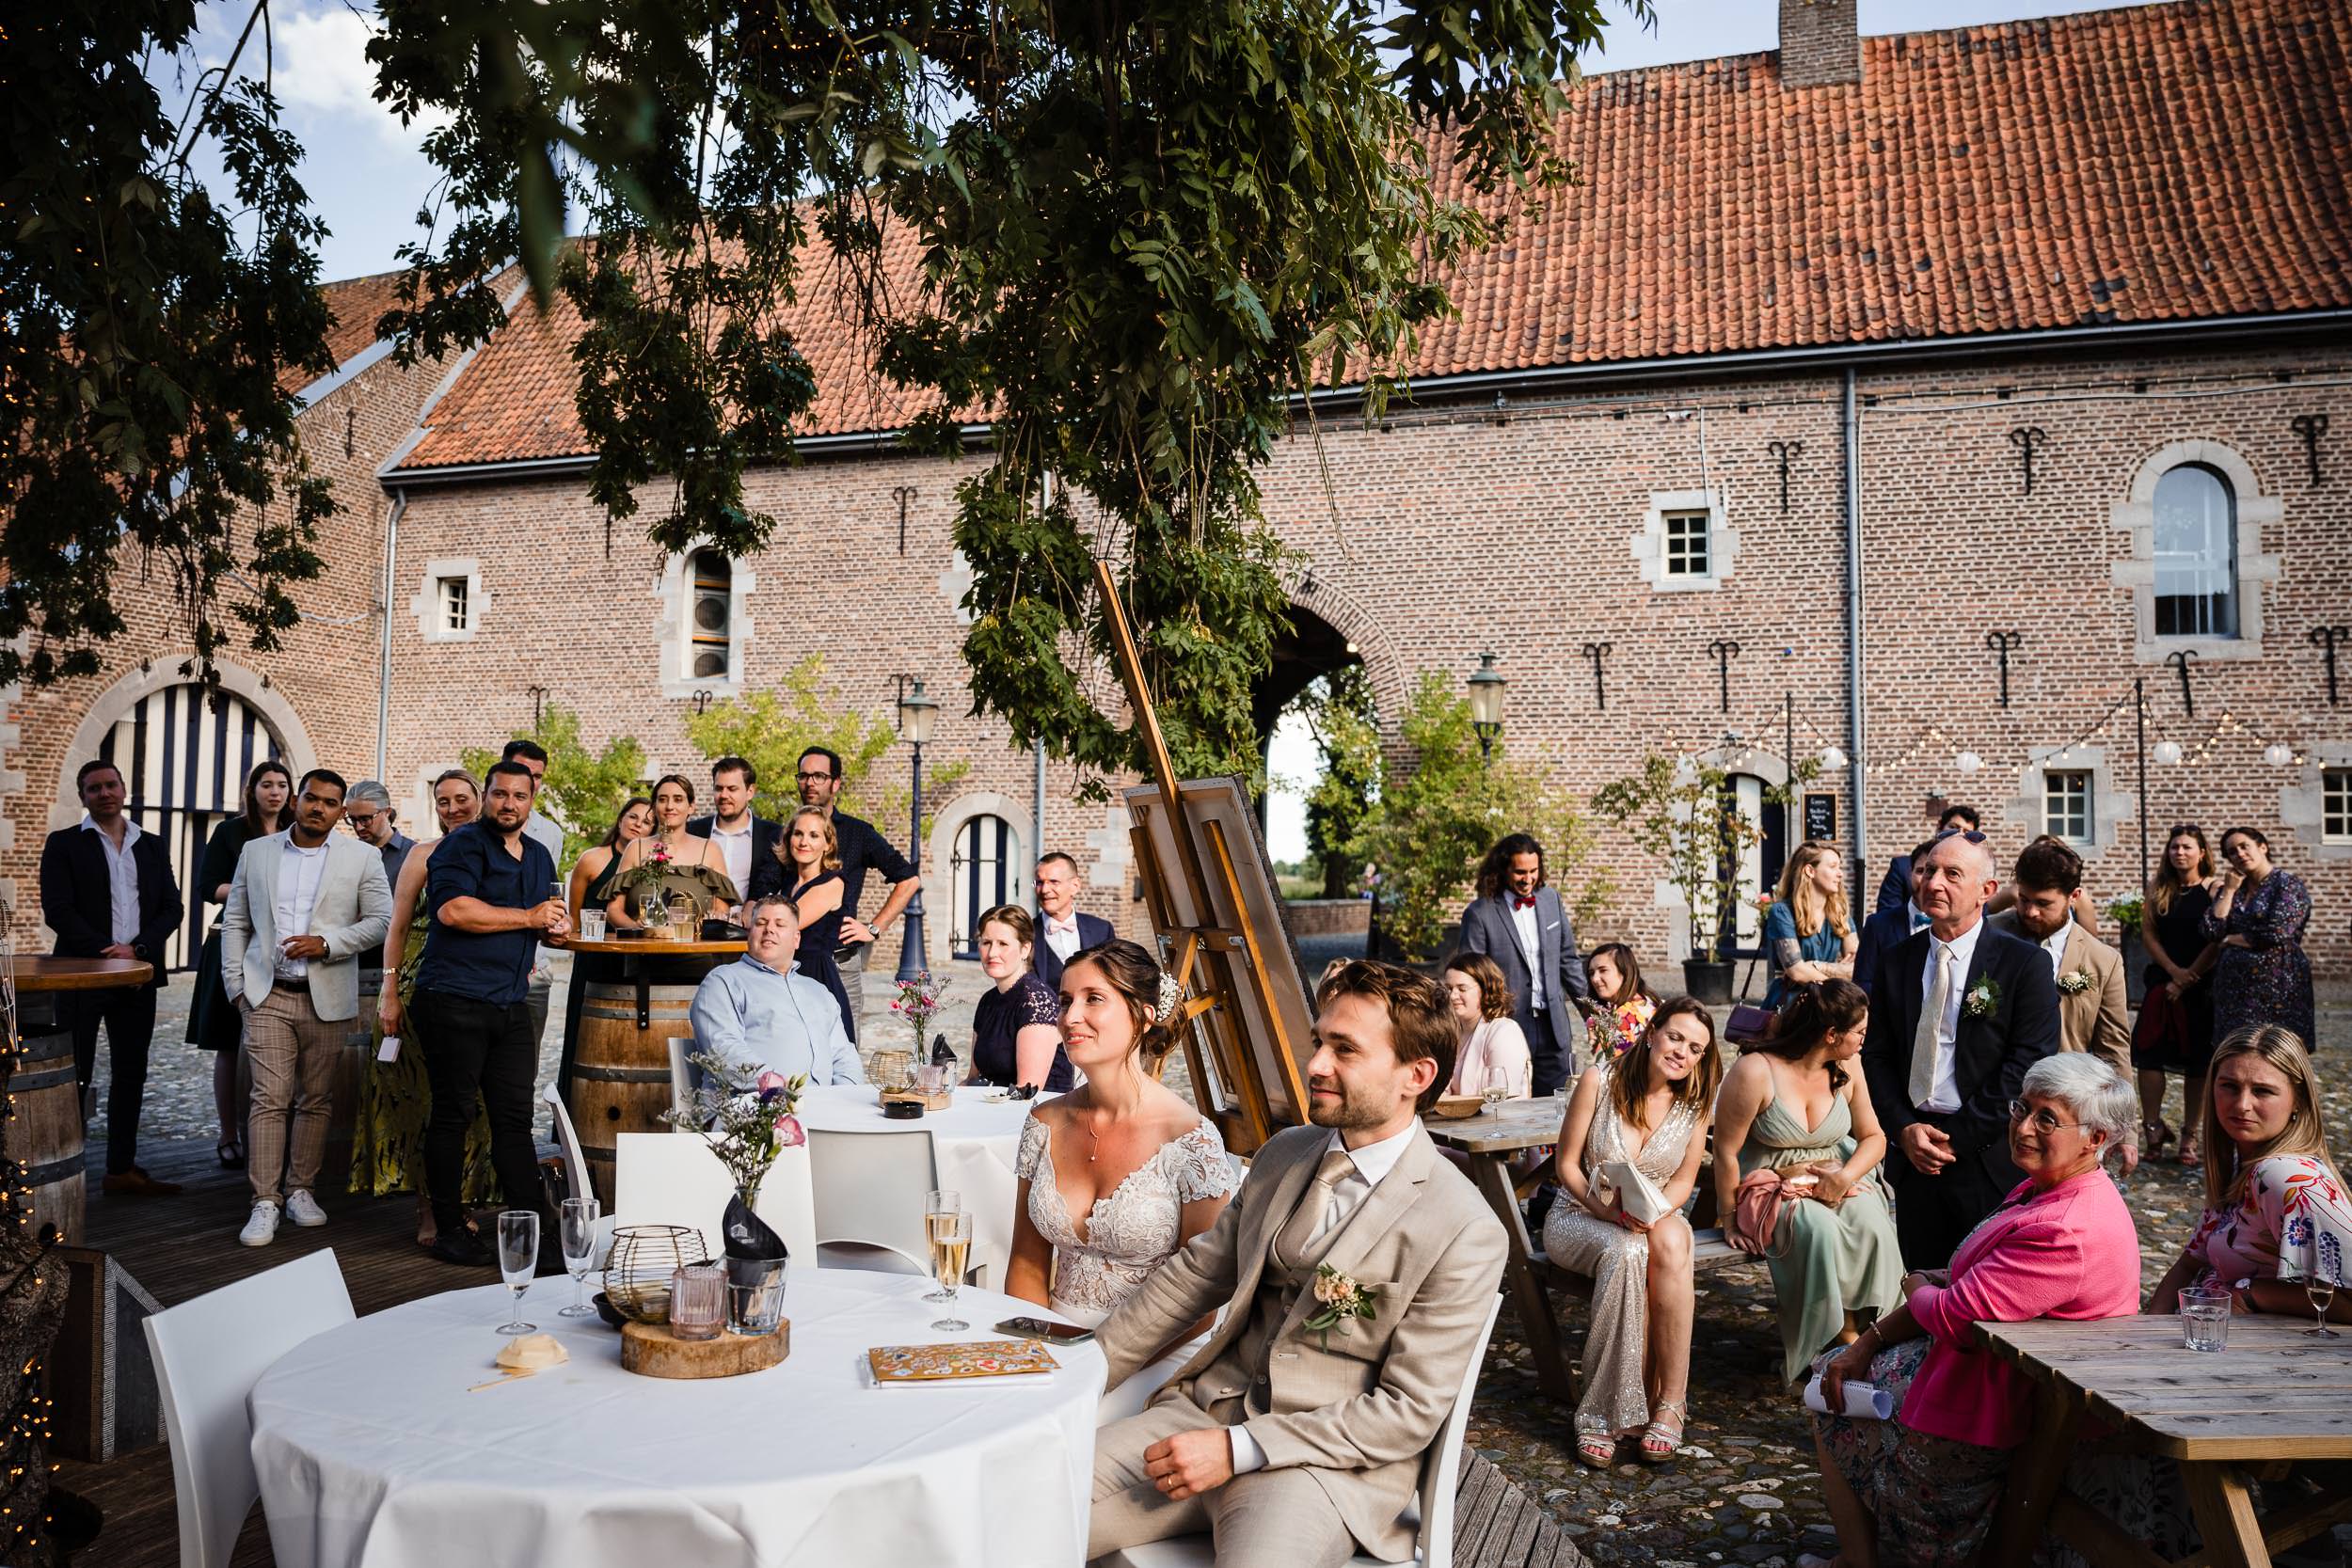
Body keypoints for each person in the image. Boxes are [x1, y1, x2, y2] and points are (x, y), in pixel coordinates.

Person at [1082, 959, 1507, 1567]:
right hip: (1199, 1413)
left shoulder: (1465, 1228)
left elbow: (1405, 1412)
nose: (1315, 1064)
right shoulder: (1285, 1153)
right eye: (1318, 1042)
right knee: (1029, 1510)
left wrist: (1241, 1448)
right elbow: (1193, 1276)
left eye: (1344, 1049)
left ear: (1417, 1073)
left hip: (1320, 1471)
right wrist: (1079, 1375)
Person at [1809, 1054, 2143, 1568]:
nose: (2024, 1128)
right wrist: (1872, 1339)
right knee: (1833, 1368)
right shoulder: (2046, 1187)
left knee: (1826, 1397)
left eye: (2047, 1118)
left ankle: (1867, 1556)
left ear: (2096, 1139)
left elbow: (1955, 1315)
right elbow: (1966, 1285)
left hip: (1992, 1405)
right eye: (2023, 1109)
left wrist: (1915, 1281)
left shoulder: (2066, 1228)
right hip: (1982, 1377)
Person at [1008, 939, 1235, 1349]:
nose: (1071, 1016)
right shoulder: (1043, 1122)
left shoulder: (1189, 1140)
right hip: (1054, 1337)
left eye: (1094, 999)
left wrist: (1100, 1366)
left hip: (1158, 1351)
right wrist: (1033, 1349)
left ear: (1143, 1016)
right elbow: (1027, 1261)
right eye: (1065, 1000)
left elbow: (1201, 1302)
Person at [1859, 830, 2061, 1270]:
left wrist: (1956, 1139)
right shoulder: (1898, 960)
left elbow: (2028, 1063)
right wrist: (1903, 1128)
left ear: (1986, 891)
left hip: (1988, 1153)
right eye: (1930, 871)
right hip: (1915, 1154)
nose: (1934, 883)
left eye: (1953, 874)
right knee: (1922, 1279)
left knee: (1986, 1283)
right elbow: (1877, 1055)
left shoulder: (2024, 964)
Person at [1542, 997, 1721, 1465]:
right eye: (1676, 1037)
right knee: (1625, 1250)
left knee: (1665, 1240)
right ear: (1652, 1032)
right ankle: (1601, 1411)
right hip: (1579, 1215)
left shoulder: (1695, 1104)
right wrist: (1604, 1211)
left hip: (1648, 1214)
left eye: (1696, 1048)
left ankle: (1669, 1403)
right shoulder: (1599, 1081)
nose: (1683, 1052)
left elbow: (1684, 1181)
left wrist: (1655, 1211)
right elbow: (1566, 1166)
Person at [222, 770, 391, 1246]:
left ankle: (300, 1190)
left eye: (330, 803)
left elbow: (381, 921)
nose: (319, 808)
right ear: (296, 800)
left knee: (315, 1101)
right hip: (267, 994)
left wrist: (328, 943)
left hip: (328, 997)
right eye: (312, 799)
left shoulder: (362, 857)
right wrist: (237, 984)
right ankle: (264, 1201)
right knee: (268, 1099)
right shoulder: (258, 852)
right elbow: (235, 920)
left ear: (341, 811)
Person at [410, 759, 568, 1266]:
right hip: (453, 999)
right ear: (487, 797)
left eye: (519, 797)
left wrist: (551, 931)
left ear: (531, 800)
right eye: (499, 795)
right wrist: (527, 918)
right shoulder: (462, 845)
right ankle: (451, 1229)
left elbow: (541, 922)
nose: (508, 805)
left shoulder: (541, 856)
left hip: (509, 1003)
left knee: (514, 1121)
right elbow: (452, 909)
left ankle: (534, 1231)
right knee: (453, 1115)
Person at [1710, 980, 1902, 1386]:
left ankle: (1874, 1332)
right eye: (1860, 1033)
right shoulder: (1755, 1071)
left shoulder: (1849, 1068)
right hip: (1770, 1183)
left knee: (1873, 1222)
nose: (1864, 1042)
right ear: (1831, 1035)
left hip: (1837, 1175)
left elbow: (1874, 1137)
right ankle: (1833, 1339)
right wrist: (1727, 1218)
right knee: (1817, 1230)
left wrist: (1845, 1176)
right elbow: (1726, 1151)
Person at [362, 770, 499, 1245]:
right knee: (425, 1104)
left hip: (481, 988)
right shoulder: (422, 855)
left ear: (479, 800)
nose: (453, 808)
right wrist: (390, 993)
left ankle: (460, 1201)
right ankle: (429, 1210)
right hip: (421, 986)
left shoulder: (498, 855)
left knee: (475, 1103)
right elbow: (396, 929)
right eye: (443, 802)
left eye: (462, 799)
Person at [39, 758, 183, 1196]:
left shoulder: (152, 845)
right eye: (94, 788)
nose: (104, 793)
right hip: (80, 976)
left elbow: (171, 908)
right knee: (72, 1073)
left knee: (130, 1072)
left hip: (135, 977)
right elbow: (58, 909)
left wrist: (135, 952)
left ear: (124, 790)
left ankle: (121, 1169)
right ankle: (65, 1170)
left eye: (110, 785)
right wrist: (106, 952)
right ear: (83, 797)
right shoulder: (64, 843)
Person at [2150, 1025, 2350, 1323]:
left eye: (2263, 1091)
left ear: (2298, 1100)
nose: (2242, 1105)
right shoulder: (2241, 1164)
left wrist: (2252, 1293)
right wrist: (2146, 1335)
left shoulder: (2285, 1177)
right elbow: (2189, 1264)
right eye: (2229, 1086)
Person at [1989, 835, 2138, 1173]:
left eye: (2043, 903)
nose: (2030, 911)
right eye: (2023, 899)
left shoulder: (2103, 960)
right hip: (1993, 1105)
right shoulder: (1990, 936)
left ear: (2074, 897)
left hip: (2065, 1116)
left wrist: (2127, 1132)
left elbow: (2113, 1048)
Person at [188, 759, 292, 1168]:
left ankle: (272, 1133)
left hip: (281, 947)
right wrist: (253, 890)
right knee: (229, 1044)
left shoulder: (297, 835)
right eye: (267, 784)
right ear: (253, 791)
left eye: (282, 785)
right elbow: (207, 887)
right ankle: (228, 1134)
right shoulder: (229, 832)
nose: (275, 792)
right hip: (232, 942)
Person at [795, 746, 919, 1034]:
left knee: (845, 1053)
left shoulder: (858, 833)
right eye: (804, 776)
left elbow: (909, 878)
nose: (810, 783)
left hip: (841, 962)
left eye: (819, 776)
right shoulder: (789, 833)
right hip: (794, 963)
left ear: (835, 783)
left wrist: (874, 928)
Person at [1457, 832, 1590, 1096]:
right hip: (1507, 1027)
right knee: (1512, 1112)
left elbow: (1568, 960)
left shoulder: (1551, 900)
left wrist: (1592, 1011)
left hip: (1554, 1029)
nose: (1528, 879)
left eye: (1533, 871)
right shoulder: (1479, 913)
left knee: (1558, 1111)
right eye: (1520, 872)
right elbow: (1470, 976)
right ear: (1503, 869)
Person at [687, 896, 864, 1085]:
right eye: (761, 923)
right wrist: (781, 1091)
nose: (769, 929)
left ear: (796, 939)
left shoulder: (818, 991)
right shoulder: (723, 982)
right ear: (749, 933)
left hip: (821, 1108)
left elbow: (844, 1055)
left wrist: (845, 1098)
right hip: (755, 1106)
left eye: (780, 925)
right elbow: (723, 1050)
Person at [555, 796, 655, 1103]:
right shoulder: (593, 859)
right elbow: (573, 916)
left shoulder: (650, 865)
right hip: (593, 958)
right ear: (621, 818)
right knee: (581, 1034)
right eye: (633, 817)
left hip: (633, 960)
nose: (638, 824)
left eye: (648, 821)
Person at [2133, 825, 2219, 1165]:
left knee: (2197, 1062)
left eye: (2186, 847)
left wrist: (2188, 977)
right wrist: (2173, 973)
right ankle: (2153, 1128)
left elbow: (2217, 938)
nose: (2179, 853)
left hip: (2201, 985)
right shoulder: (2159, 888)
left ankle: (2189, 1135)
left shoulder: (2213, 889)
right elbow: (2149, 934)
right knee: (2149, 1054)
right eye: (2174, 848)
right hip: (2163, 982)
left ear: (2201, 852)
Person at [2202, 825, 2315, 1053]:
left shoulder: (2287, 884)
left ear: (2262, 847)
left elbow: (2277, 932)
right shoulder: (2235, 889)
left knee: (2277, 1053)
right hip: (2234, 993)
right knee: (2235, 1052)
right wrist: (2230, 891)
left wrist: (2231, 938)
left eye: (2245, 846)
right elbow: (2211, 929)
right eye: (2232, 852)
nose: (2240, 854)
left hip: (2278, 987)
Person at [501, 739, 566, 1053]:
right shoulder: (476, 828)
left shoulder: (552, 833)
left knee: (526, 1065)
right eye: (523, 771)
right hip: (487, 968)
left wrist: (558, 922)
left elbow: (548, 895)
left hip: (534, 971)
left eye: (537, 775)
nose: (531, 780)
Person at [606, 774, 738, 930]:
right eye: (662, 799)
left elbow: (721, 911)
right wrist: (636, 929)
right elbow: (614, 910)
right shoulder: (636, 848)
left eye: (678, 799)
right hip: (643, 950)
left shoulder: (710, 849)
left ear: (691, 806)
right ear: (654, 807)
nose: (669, 806)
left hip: (695, 950)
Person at [968, 905, 1073, 1090]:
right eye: (986, 943)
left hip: (1036, 1112)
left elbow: (1027, 1091)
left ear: (1025, 949)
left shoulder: (1037, 1001)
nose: (992, 953)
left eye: (1003, 944)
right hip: (992, 1105)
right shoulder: (988, 1000)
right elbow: (973, 1079)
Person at [775, 806, 856, 1040]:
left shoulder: (832, 883)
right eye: (798, 834)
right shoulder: (789, 882)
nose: (803, 841)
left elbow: (785, 924)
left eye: (813, 835)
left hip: (815, 977)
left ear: (828, 844)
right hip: (787, 976)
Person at [1765, 840, 1856, 1009]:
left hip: (1829, 1005)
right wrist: (1838, 979)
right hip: (1791, 1006)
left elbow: (1855, 967)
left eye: (1840, 867)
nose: (1840, 874)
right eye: (1833, 866)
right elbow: (1796, 971)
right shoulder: (1782, 912)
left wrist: (1816, 965)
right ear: (1810, 870)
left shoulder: (1840, 913)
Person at [686, 755, 785, 907]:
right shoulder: (693, 831)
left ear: (750, 791)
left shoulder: (773, 835)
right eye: (719, 788)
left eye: (732, 789)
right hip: (700, 926)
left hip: (749, 926)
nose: (724, 795)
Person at [1852, 835, 1935, 1001]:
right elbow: (1862, 983)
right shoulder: (1878, 925)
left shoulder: (1957, 925)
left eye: (1932, 872)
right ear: (1909, 873)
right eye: (1920, 871)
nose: (1927, 880)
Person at [1440, 952, 1531, 1099]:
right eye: (1449, 988)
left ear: (1486, 990)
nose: (1452, 996)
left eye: (1462, 989)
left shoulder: (1504, 1032)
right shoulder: (1449, 1031)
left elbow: (1502, 1098)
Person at [1873, 803, 1979, 917]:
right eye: (1953, 827)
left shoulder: (1973, 874)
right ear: (1939, 827)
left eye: (1966, 833)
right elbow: (1886, 920)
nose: (1958, 836)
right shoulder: (1902, 866)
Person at [1032, 850, 1114, 992]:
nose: (1044, 890)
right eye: (1039, 882)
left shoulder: (1102, 930)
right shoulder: (1025, 933)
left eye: (1053, 882)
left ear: (1075, 886)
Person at [1579, 942, 1658, 1060]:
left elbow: (1603, 1071)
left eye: (1603, 970)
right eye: (1591, 973)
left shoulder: (1624, 1018)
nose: (1594, 979)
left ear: (1624, 972)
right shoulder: (1647, 1000)